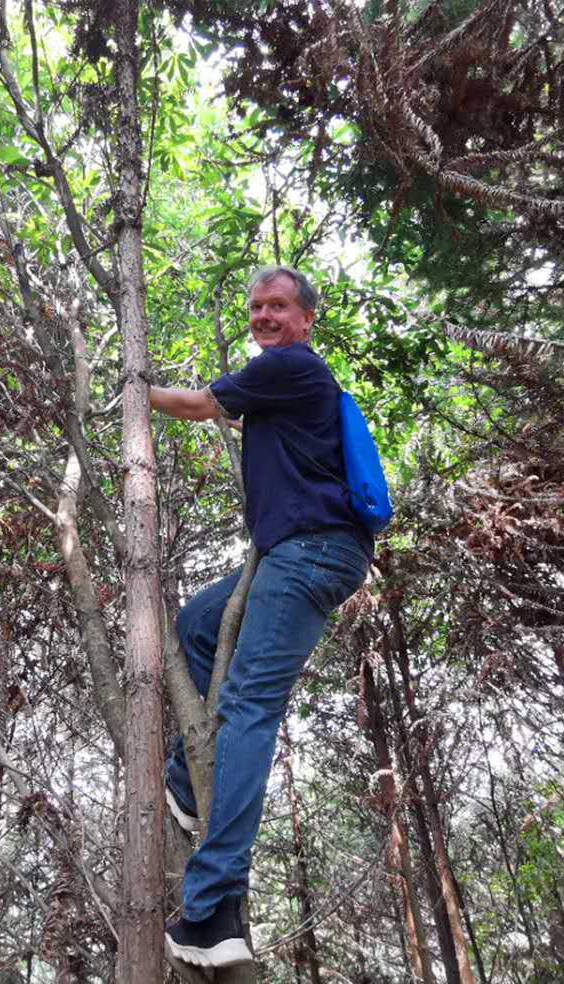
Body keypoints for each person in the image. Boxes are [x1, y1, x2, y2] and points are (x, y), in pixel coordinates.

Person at [149, 266, 373, 969]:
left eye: (278, 306)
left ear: (307, 318)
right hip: (291, 555)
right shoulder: (284, 386)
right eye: (255, 307)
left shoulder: (294, 367)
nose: (264, 316)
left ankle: (213, 912)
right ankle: (188, 783)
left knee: (247, 707)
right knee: (198, 623)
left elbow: (196, 404)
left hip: (311, 553)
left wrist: (134, 389)